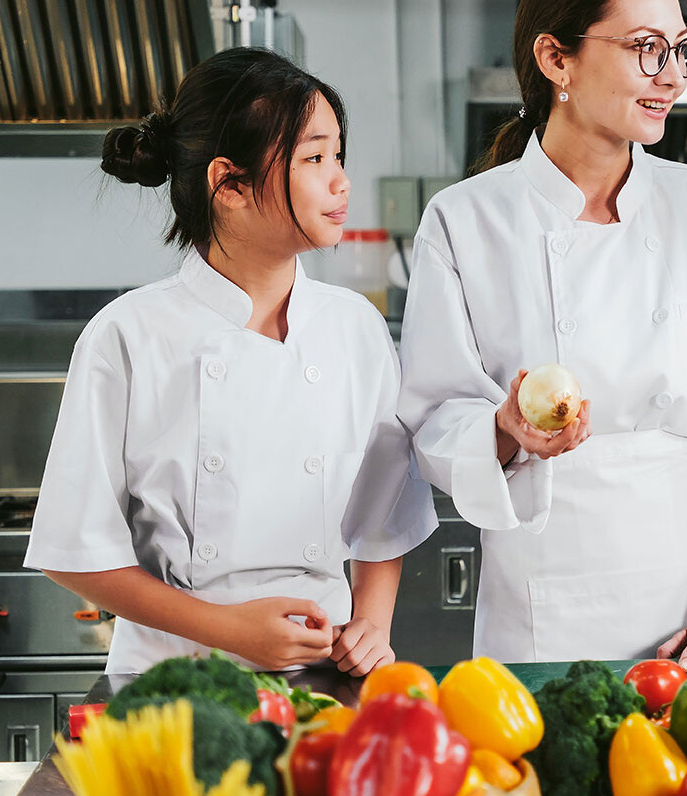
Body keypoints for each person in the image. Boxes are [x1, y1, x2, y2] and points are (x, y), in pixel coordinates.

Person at [398, 0, 687, 664]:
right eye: (646, 47)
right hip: (541, 597)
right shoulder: (463, 220)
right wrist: (504, 431)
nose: (673, 76)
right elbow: (433, 414)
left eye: (681, 49)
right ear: (556, 58)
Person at [25, 48, 437, 675]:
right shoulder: (128, 336)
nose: (341, 181)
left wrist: (373, 623)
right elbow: (74, 552)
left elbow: (386, 513)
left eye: (338, 156)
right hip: (172, 679)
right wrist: (228, 631)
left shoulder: (354, 328)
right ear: (231, 184)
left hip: (321, 675)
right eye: (314, 159)